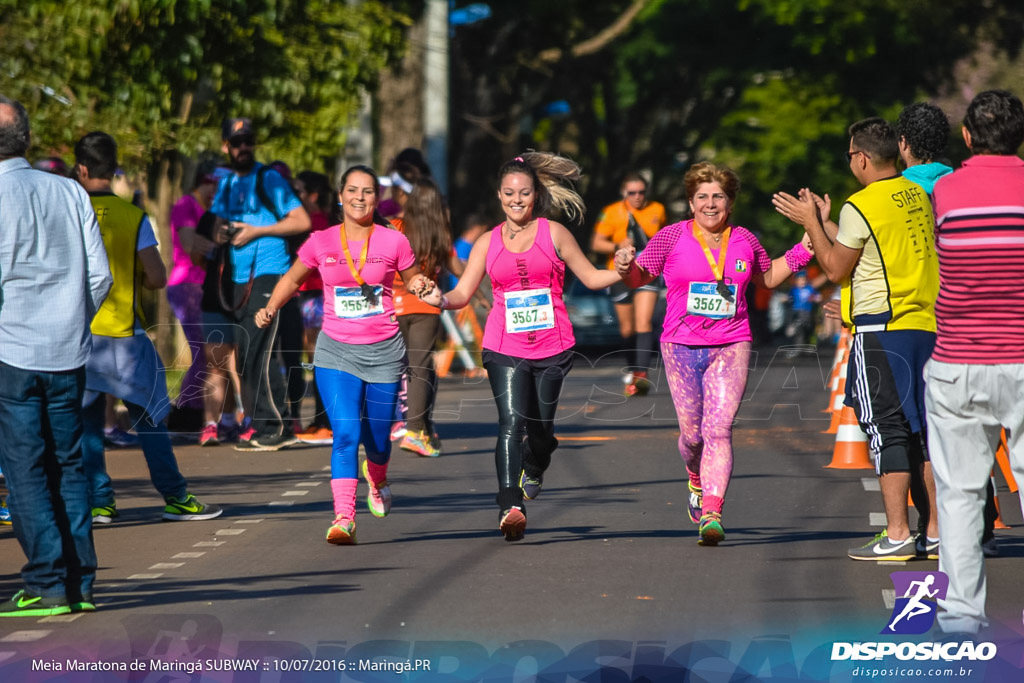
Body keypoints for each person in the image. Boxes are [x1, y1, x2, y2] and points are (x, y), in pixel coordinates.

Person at [618, 162, 813, 546]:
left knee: (718, 430)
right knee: (692, 436)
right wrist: (625, 266)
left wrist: (806, 247)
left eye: (718, 197)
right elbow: (641, 276)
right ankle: (695, 477)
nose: (710, 204)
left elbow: (768, 277)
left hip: (731, 343)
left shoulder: (744, 239)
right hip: (680, 346)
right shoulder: (671, 237)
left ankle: (712, 510)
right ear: (690, 203)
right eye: (702, 197)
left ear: (730, 202)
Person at [441, 152, 632, 542]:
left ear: (536, 194)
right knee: (511, 423)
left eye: (524, 193)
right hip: (503, 345)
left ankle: (537, 460)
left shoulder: (554, 233)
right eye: (509, 193)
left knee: (540, 431)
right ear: (499, 195)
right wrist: (436, 299)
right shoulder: (487, 242)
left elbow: (593, 277)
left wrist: (622, 271)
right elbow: (461, 293)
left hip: (552, 346)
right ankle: (511, 505)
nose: (516, 200)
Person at [773, 117, 940, 561]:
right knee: (925, 432)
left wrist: (811, 223)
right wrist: (824, 225)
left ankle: (899, 532)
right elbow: (860, 250)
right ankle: (938, 531)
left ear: (861, 158)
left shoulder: (861, 203)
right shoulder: (916, 194)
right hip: (927, 326)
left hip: (882, 329)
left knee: (887, 430)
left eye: (850, 155)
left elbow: (833, 269)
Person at [254, 165, 441, 545]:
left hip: (385, 353)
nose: (360, 197)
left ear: (376, 198)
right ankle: (344, 517)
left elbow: (412, 277)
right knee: (345, 433)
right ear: (340, 196)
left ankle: (377, 475)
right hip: (335, 352)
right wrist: (270, 307)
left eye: (368, 191)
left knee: (377, 441)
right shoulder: (321, 241)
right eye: (352, 190)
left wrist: (423, 285)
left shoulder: (393, 241)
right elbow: (291, 279)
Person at [73, 132, 223, 525]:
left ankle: (99, 503)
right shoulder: (132, 216)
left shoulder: (68, 211)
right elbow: (157, 277)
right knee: (150, 419)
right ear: (112, 168)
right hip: (124, 334)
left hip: (77, 336)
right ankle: (175, 496)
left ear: (81, 169)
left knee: (87, 425)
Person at [0, 95, 111, 615]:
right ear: (26, 137)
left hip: (13, 351)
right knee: (68, 465)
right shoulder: (69, 190)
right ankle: (79, 583)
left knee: (25, 469)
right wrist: (71, 317)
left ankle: (46, 582)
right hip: (67, 351)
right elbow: (99, 277)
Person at [927, 89, 1024, 634]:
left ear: (966, 137)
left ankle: (961, 616)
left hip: (958, 360)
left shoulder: (945, 190)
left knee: (960, 493)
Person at [210, 118, 311, 451]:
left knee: (262, 352)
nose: (243, 148)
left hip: (271, 274)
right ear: (225, 146)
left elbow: (302, 221)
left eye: (248, 141)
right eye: (236, 142)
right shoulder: (225, 185)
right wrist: (224, 233)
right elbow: (216, 227)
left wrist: (257, 231)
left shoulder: (269, 178)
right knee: (245, 357)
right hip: (239, 279)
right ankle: (261, 424)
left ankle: (279, 426)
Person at [391, 178, 453, 457]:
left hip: (392, 303)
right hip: (425, 306)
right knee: (421, 368)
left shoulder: (394, 228)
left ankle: (421, 428)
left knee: (400, 368)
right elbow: (457, 266)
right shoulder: (439, 235)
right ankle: (416, 430)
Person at [592, 173, 668, 396]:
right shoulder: (612, 212)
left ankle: (641, 376)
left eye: (641, 192)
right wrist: (618, 244)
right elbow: (596, 243)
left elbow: (666, 237)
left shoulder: (658, 209)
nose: (637, 197)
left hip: (648, 270)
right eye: (632, 193)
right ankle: (633, 368)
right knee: (627, 328)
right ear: (624, 193)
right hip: (620, 273)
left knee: (643, 322)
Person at [167, 161, 220, 432]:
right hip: (187, 284)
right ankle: (185, 413)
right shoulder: (185, 205)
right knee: (202, 351)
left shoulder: (216, 209)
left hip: (207, 285)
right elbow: (190, 245)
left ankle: (196, 412)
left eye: (217, 185)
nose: (213, 190)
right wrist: (220, 247)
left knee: (210, 353)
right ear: (198, 183)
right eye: (208, 184)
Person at [292, 170, 335, 445]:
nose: (294, 198)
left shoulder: (315, 223)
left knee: (319, 360)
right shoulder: (318, 221)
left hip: (315, 295)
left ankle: (325, 420)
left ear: (313, 196)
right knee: (317, 360)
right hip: (312, 295)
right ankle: (322, 419)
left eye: (299, 192)